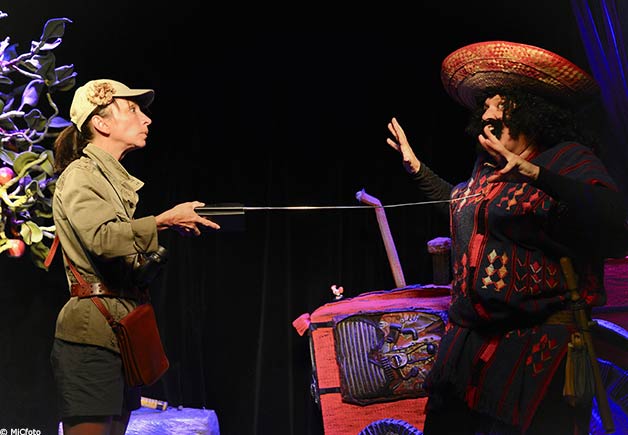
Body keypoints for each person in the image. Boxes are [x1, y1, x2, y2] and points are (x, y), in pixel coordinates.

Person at [386, 41, 628, 435]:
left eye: (499, 104)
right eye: (485, 106)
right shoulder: (486, 169)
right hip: (468, 345)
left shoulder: (568, 159)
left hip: (537, 347)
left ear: (530, 112)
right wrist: (417, 168)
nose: (487, 114)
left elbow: (613, 221)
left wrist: (534, 174)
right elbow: (462, 208)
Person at [49, 79, 220, 435]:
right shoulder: (81, 176)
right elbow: (102, 239)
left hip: (119, 333)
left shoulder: (110, 180)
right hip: (90, 338)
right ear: (101, 123)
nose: (146, 119)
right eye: (132, 110)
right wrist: (163, 220)